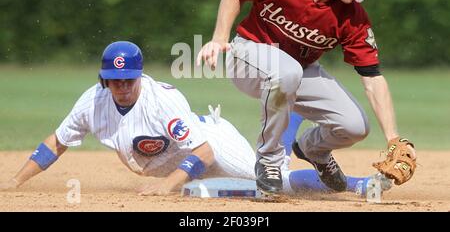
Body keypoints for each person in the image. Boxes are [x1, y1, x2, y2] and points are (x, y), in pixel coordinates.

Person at [0, 41, 388, 197]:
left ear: (138, 77)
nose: (120, 86)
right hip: (183, 161)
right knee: (270, 173)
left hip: (210, 144)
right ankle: (289, 126)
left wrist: (167, 187)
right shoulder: (92, 102)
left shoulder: (160, 100)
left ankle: (359, 185)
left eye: (127, 79)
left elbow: (202, 152)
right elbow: (57, 141)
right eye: (113, 80)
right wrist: (15, 183)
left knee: (276, 183)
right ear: (104, 78)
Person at [196, 0, 416, 194]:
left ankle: (314, 149)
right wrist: (219, 38)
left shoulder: (352, 18)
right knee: (287, 71)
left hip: (297, 71)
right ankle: (268, 159)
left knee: (355, 126)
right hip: (247, 55)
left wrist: (392, 137)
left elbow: (372, 78)